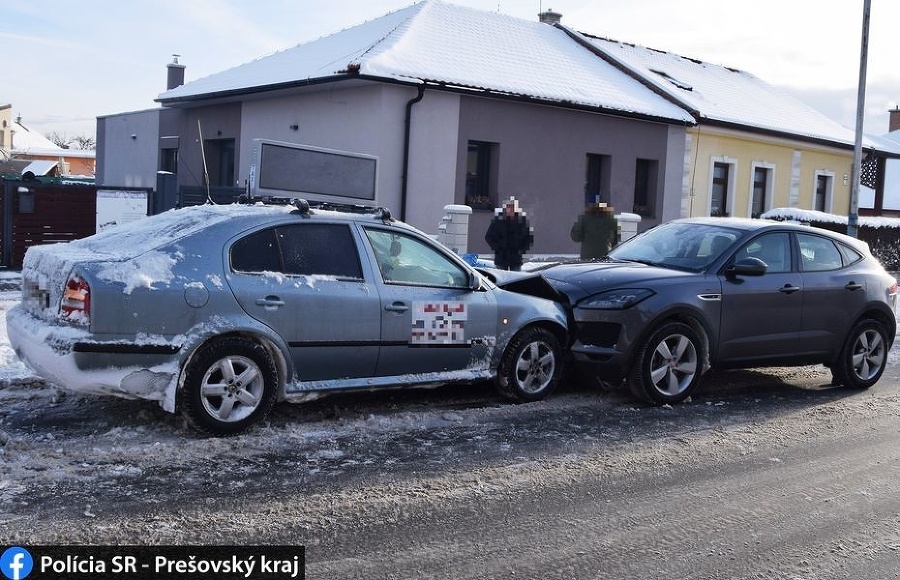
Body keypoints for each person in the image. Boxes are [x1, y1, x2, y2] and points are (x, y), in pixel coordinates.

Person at [484, 197, 533, 271]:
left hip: (516, 258)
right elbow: (489, 237)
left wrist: (522, 250)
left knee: (516, 280)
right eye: (509, 207)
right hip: (501, 258)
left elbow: (529, 238)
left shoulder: (522, 221)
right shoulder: (498, 221)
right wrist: (498, 247)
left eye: (513, 207)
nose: (511, 209)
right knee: (502, 280)